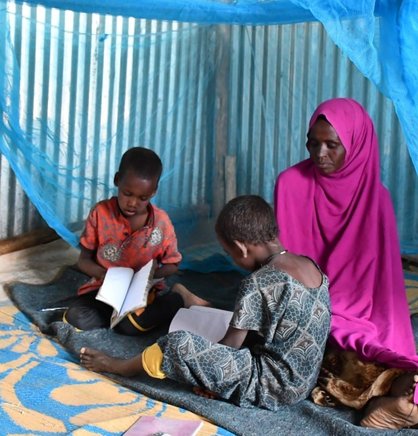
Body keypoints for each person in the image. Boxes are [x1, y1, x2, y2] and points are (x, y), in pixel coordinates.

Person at [79, 195, 331, 411]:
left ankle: (120, 366)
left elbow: (230, 347)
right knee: (240, 320)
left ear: (241, 248)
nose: (233, 260)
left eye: (229, 253)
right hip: (304, 381)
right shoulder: (313, 267)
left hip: (271, 387)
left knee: (179, 345)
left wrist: (210, 375)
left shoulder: (258, 283)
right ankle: (195, 304)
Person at [274, 97, 418, 428]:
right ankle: (393, 402)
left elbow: (385, 284)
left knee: (371, 350)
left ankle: (399, 400)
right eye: (313, 143)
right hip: (307, 305)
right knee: (311, 351)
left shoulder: (376, 200)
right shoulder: (291, 184)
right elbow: (285, 265)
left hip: (359, 313)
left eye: (332, 145)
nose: (320, 154)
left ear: (356, 145)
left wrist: (381, 331)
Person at [65, 147, 183, 335]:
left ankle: (176, 299)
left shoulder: (161, 223)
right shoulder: (100, 213)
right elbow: (84, 260)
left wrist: (148, 278)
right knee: (76, 317)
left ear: (154, 191)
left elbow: (173, 265)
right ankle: (117, 317)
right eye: (127, 194)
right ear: (117, 180)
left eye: (142, 198)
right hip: (104, 290)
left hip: (143, 295)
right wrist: (104, 276)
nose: (133, 203)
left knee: (131, 326)